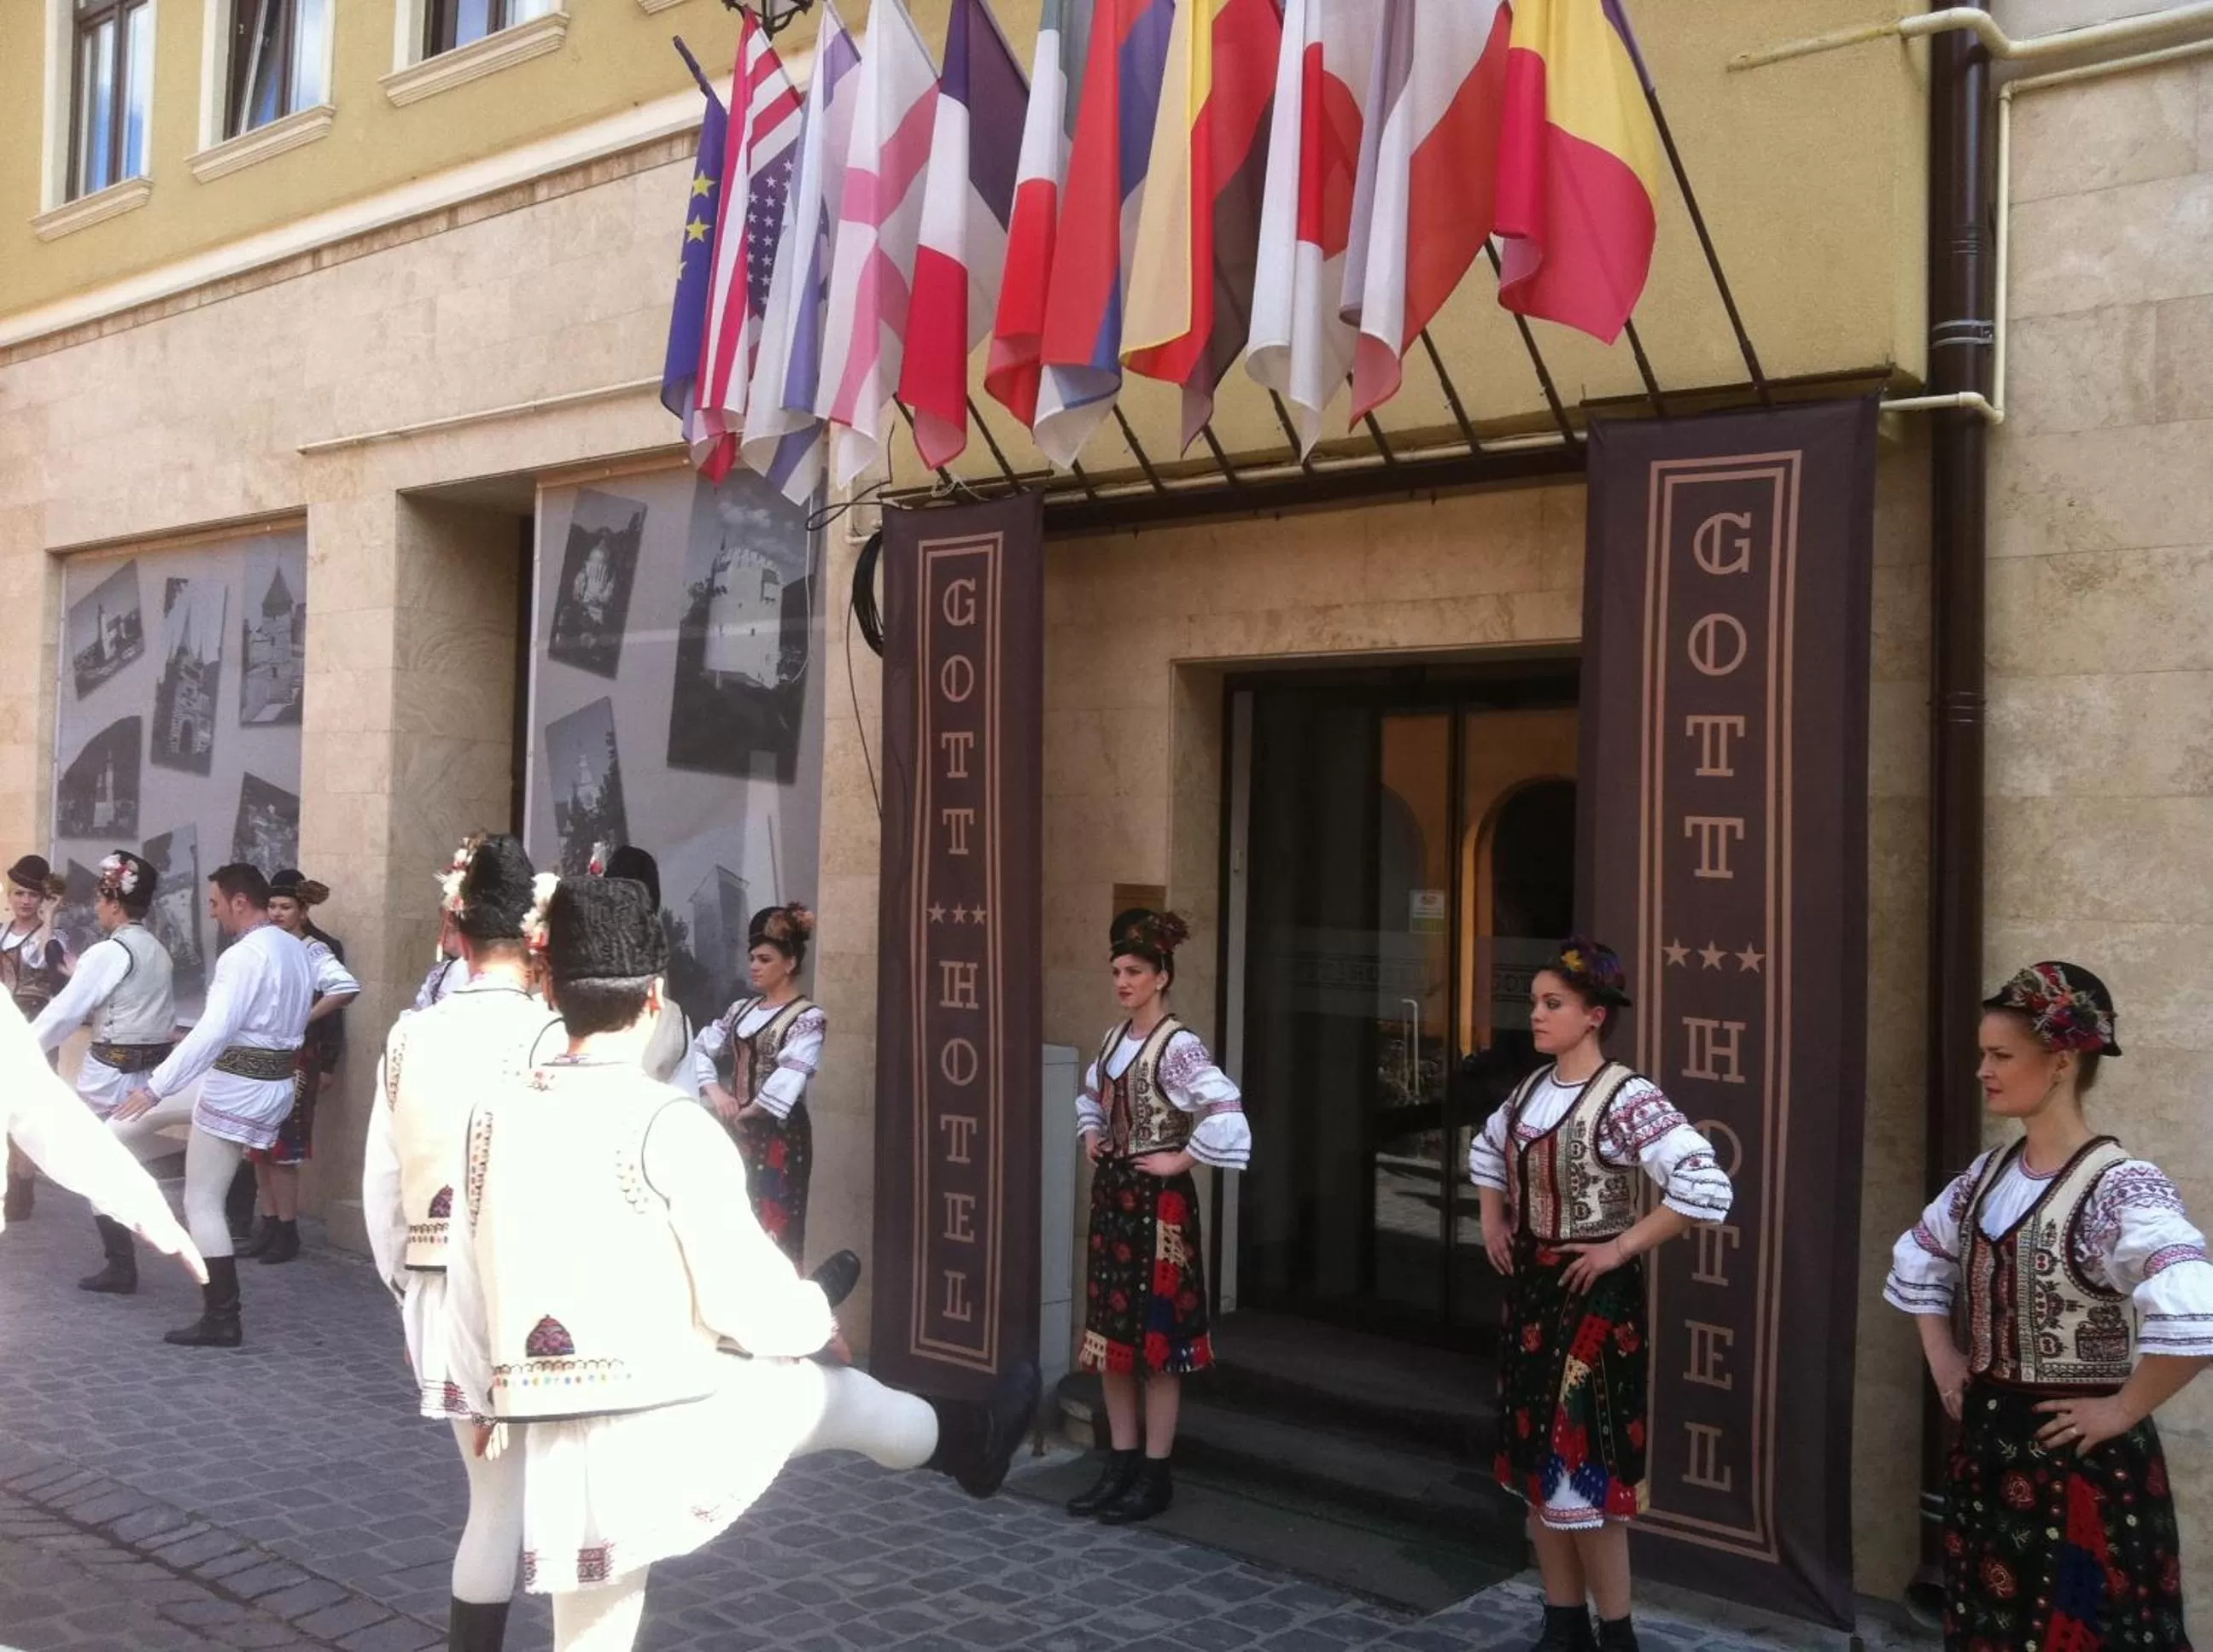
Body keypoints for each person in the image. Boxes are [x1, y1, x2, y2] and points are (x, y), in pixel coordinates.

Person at [442, 876, 1040, 1652]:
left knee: (587, 1617)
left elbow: (468, 1281)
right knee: (837, 1397)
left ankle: (972, 1441)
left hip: (538, 1404)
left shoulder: (492, 1114)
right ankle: (973, 1443)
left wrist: (479, 1395)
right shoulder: (667, 1123)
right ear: (655, 997)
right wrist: (815, 1316)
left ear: (550, 985)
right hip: (653, 1410)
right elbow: (741, 1301)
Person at [1889, 962, 2211, 1652]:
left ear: (2062, 1061)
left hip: (2080, 1462)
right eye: (1984, 1053)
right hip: (1989, 1451)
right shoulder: (1988, 1173)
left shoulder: (2118, 1188)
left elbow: (2194, 1311)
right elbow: (1918, 1258)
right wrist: (1945, 1357)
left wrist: (2124, 1407)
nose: (1984, 1069)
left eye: (2002, 1055)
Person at [1469, 938, 1735, 1652]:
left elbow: (1704, 1186)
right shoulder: (1528, 1091)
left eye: (1552, 1004)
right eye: (1535, 1003)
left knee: (1583, 1470)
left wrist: (1619, 1246)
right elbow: (1488, 1151)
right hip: (1533, 1294)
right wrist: (1495, 1218)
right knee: (1538, 1468)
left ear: (1594, 1015)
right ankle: (1562, 1625)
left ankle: (1615, 1633)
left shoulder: (1626, 1096)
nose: (1537, 1016)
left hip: (1597, 1303)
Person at [363, 835, 558, 1652]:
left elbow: (382, 1189)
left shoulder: (410, 1036)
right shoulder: (558, 1035)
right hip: (553, 1286)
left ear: (457, 930)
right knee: (573, 1500)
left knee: (495, 1502)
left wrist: (412, 1296)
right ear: (536, 936)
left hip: (447, 1287)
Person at [1064, 908, 1250, 1526]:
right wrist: (1093, 1132)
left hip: (1159, 1206)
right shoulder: (1116, 1038)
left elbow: (1225, 1107)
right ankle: (1119, 1461)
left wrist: (1183, 1158)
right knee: (1112, 1339)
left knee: (1158, 1342)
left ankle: (1155, 1470)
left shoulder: (1178, 1046)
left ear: (1161, 976)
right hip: (1116, 1198)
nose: (1122, 981)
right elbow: (1092, 1093)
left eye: (1135, 971)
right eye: (1117, 970)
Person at [114, 863, 313, 1348]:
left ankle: (223, 1316)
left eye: (215, 902)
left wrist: (157, 1084)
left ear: (239, 901)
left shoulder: (244, 956)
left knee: (202, 1201)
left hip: (238, 1086)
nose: (212, 910)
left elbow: (215, 1029)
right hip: (264, 1082)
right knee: (122, 1130)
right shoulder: (298, 948)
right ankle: (115, 1212)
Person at [29, 851, 176, 1294]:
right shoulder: (158, 950)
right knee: (121, 1157)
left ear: (114, 901)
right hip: (148, 1075)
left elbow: (65, 1014)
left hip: (111, 1074)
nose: (96, 908)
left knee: (97, 1161)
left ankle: (121, 1263)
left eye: (99, 900)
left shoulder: (109, 952)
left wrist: (18, 1048)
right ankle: (126, 1253)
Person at [0, 991, 203, 1293]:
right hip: (121, 1077)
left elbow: (41, 1106)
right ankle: (120, 1264)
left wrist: (141, 1204)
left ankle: (121, 1265)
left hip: (120, 1078)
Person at [685, 902, 821, 1267]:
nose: (754, 966)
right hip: (735, 1131)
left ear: (789, 963)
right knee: (729, 1222)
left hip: (779, 1136)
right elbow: (700, 1048)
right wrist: (716, 1092)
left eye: (764, 959)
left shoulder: (807, 1018)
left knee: (775, 1228)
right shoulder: (741, 1010)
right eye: (753, 959)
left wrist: (750, 1111)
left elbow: (788, 1079)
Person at [244, 869, 360, 1265]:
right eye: (273, 906)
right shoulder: (261, 943)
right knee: (257, 1144)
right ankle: (269, 1222)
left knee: (283, 1147)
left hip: (300, 1055)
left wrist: (312, 1034)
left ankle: (288, 1230)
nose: (277, 913)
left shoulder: (317, 948)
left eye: (285, 907)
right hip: (263, 1054)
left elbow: (340, 1000)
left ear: (303, 909)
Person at [2, 854, 72, 1220]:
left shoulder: (52, 936)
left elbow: (52, 967)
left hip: (37, 1031)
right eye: (19, 893)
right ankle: (8, 1183)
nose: (25, 901)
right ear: (9, 895)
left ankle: (23, 1188)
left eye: (32, 895)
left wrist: (50, 919)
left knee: (26, 1111)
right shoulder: (0, 932)